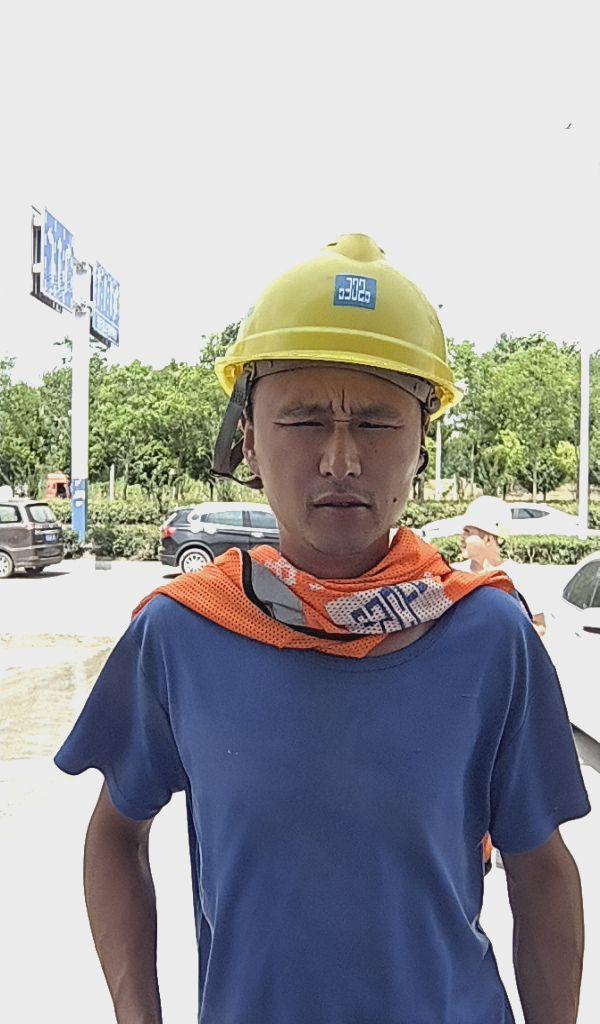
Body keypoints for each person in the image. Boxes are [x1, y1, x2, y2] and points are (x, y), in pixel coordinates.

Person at [55, 234, 591, 1024]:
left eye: (375, 423)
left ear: (420, 443)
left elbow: (542, 874)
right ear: (249, 438)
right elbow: (113, 838)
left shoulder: (487, 633)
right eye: (304, 420)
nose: (341, 459)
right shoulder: (183, 633)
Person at [453, 495, 547, 635]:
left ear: (488, 539)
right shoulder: (454, 573)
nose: (462, 538)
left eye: (468, 532)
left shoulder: (520, 577)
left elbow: (539, 626)